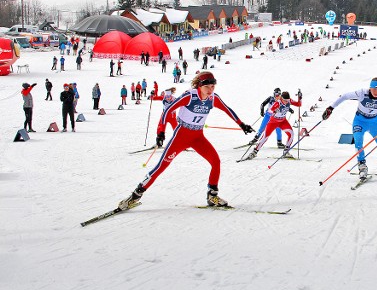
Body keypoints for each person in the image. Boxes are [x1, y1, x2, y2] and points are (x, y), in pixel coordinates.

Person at [118, 71, 255, 210]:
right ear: (199, 86)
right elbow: (167, 110)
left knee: (216, 161)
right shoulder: (190, 96)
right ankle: (135, 196)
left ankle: (212, 195)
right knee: (161, 167)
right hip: (181, 137)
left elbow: (227, 109)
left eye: (213, 86)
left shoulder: (213, 98)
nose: (210, 90)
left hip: (198, 137)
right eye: (207, 87)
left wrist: (241, 124)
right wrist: (160, 132)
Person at [322, 77, 377, 178]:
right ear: (370, 88)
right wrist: (330, 108)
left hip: (374, 122)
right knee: (358, 141)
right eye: (374, 88)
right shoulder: (362, 93)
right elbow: (345, 96)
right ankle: (362, 166)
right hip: (360, 121)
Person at [242, 90, 301, 161]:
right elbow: (269, 111)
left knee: (291, 134)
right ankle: (254, 152)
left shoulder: (289, 101)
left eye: (288, 100)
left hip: (283, 121)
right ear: (282, 98)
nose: (287, 102)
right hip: (273, 122)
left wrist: (299, 98)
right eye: (285, 100)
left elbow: (298, 104)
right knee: (265, 137)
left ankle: (286, 152)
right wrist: (275, 111)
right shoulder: (277, 103)